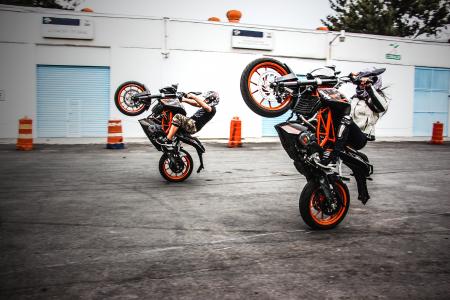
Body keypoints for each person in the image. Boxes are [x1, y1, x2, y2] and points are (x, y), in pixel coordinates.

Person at [321, 68, 389, 165]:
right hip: (345, 133)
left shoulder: (379, 99)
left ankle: (334, 157)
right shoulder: (354, 98)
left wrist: (369, 87)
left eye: (364, 81)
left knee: (346, 119)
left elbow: (382, 107)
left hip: (359, 138)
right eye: (360, 82)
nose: (362, 84)